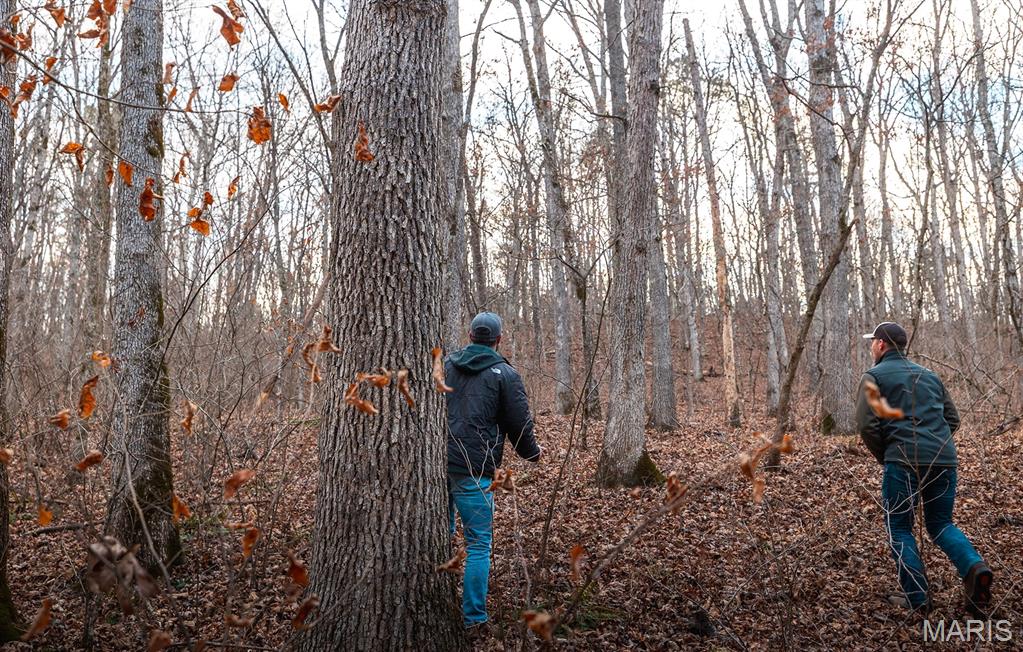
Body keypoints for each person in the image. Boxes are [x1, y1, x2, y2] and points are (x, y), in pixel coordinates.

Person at [856, 322, 993, 616]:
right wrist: (935, 444)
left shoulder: (873, 377)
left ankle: (917, 598)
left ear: (881, 345)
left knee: (900, 527)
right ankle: (974, 567)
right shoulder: (930, 376)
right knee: (940, 524)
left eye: (872, 342)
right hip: (944, 460)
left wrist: (889, 454)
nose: (871, 347)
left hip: (902, 461)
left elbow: (867, 426)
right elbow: (952, 419)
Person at [445, 311, 541, 634]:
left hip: (438, 467)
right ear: (498, 340)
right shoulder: (505, 374)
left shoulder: (447, 366)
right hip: (476, 470)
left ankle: (435, 604)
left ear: (470, 336)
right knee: (478, 544)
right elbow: (519, 423)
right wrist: (532, 453)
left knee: (438, 538)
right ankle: (474, 620)